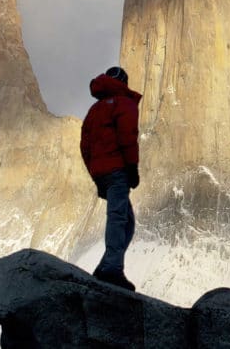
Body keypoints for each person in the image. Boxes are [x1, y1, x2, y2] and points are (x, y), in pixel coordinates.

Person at [80, 66, 142, 291]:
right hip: (118, 170)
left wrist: (95, 173)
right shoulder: (124, 103)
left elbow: (85, 146)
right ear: (123, 82)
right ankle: (113, 269)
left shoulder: (94, 110)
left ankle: (107, 265)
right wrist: (132, 167)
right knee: (118, 218)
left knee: (127, 220)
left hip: (102, 172)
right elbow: (128, 137)